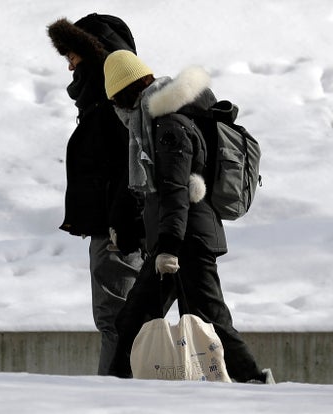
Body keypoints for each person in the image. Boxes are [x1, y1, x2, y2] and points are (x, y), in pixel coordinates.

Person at [102, 49, 274, 383]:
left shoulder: (169, 125)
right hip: (178, 238)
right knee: (134, 320)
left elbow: (174, 189)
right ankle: (116, 386)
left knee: (210, 320)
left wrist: (167, 245)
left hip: (185, 242)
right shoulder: (165, 119)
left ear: (123, 95)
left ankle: (253, 380)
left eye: (116, 102)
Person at [47, 15, 144, 375]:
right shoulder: (102, 99)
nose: (69, 64)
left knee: (115, 321)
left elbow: (131, 168)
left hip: (119, 233)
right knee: (120, 320)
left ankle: (115, 396)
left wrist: (123, 225)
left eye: (72, 55)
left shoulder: (113, 102)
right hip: (114, 227)